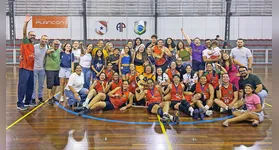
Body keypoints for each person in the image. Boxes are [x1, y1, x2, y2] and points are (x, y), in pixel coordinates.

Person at [17, 14, 36, 110]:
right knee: (22, 86)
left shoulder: (33, 46)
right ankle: (20, 104)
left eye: (34, 35)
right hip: (24, 68)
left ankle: (27, 102)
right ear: (28, 36)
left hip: (31, 69)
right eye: (31, 35)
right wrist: (26, 22)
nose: (33, 36)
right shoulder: (25, 42)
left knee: (30, 86)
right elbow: (24, 32)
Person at [32, 35, 49, 105]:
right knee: (33, 84)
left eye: (46, 39)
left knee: (41, 85)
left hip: (43, 69)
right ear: (40, 39)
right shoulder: (34, 46)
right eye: (43, 39)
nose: (44, 40)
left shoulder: (48, 48)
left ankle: (40, 96)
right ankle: (33, 98)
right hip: (34, 68)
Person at [45, 40, 61, 105]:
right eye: (55, 44)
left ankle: (52, 96)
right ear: (52, 44)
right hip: (49, 69)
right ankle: (49, 98)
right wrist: (50, 51)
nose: (56, 45)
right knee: (50, 84)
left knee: (55, 84)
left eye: (57, 44)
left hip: (57, 69)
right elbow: (47, 52)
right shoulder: (50, 49)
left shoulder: (59, 50)